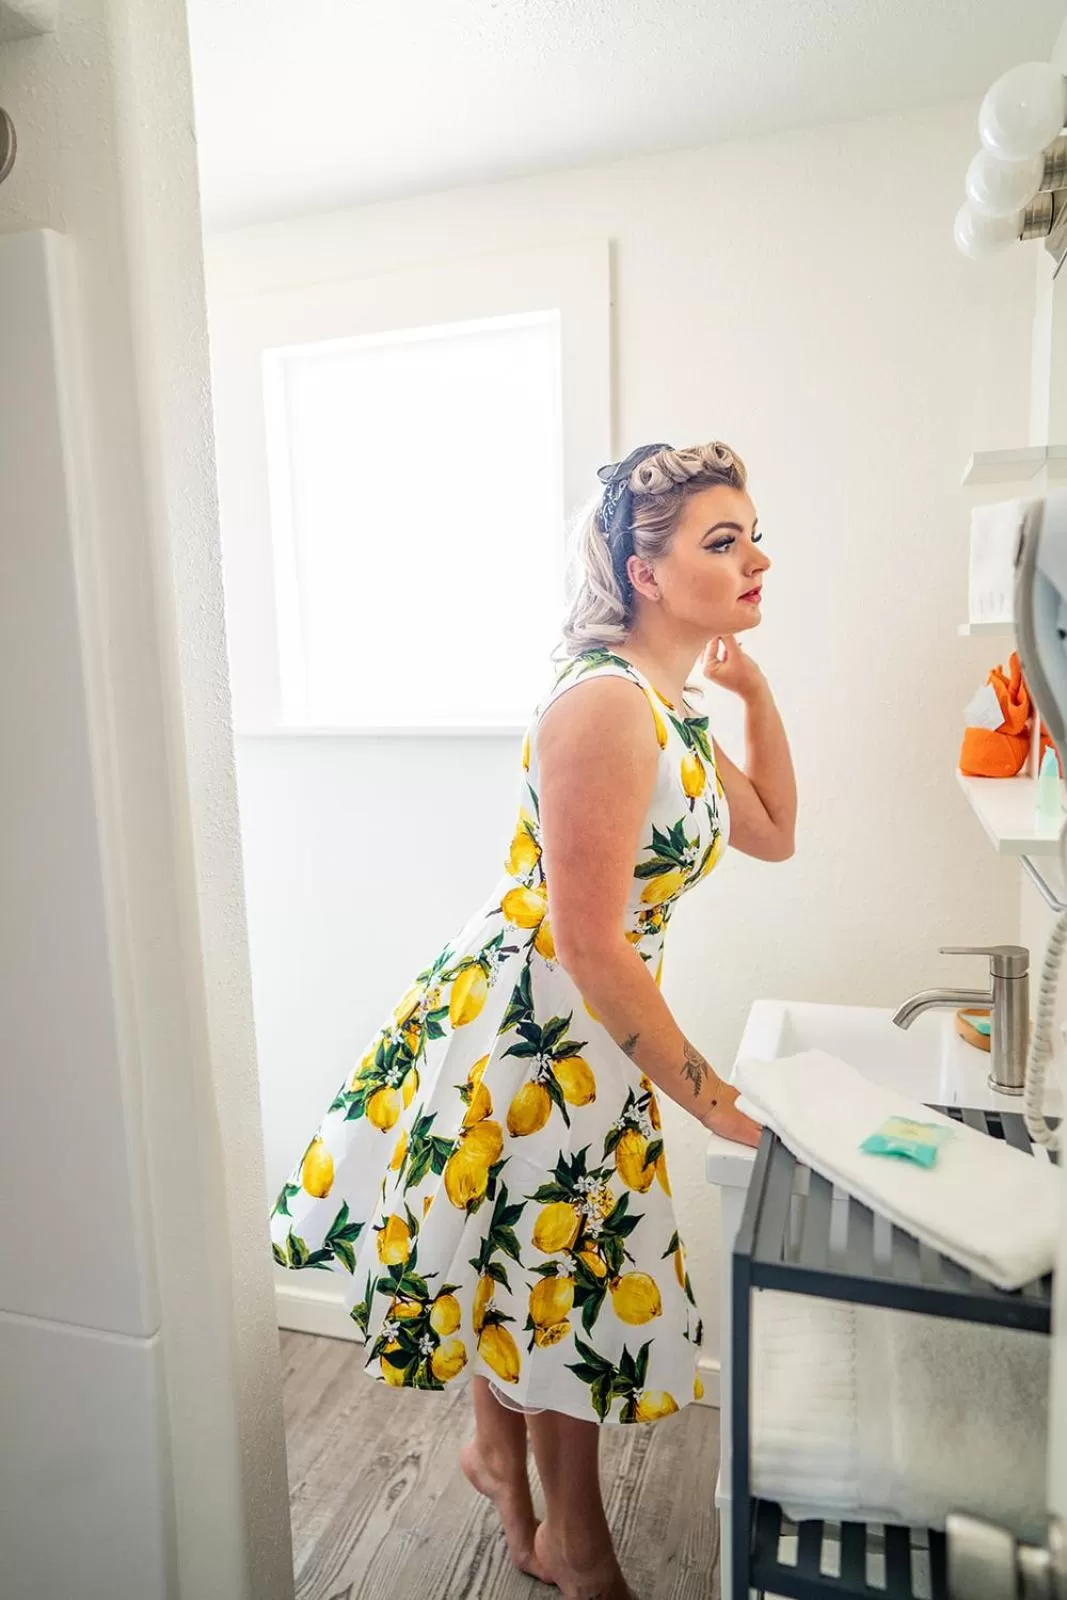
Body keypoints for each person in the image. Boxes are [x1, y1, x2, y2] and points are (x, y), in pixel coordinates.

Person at [270, 439, 796, 1600]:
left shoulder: (672, 704)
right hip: (537, 1025)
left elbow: (769, 830)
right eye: (723, 538)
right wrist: (708, 1095)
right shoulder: (603, 705)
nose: (756, 557)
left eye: (754, 533)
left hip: (586, 1022)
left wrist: (751, 692)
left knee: (522, 1255)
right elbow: (586, 939)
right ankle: (574, 1539)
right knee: (561, 1269)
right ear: (641, 568)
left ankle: (497, 1461)